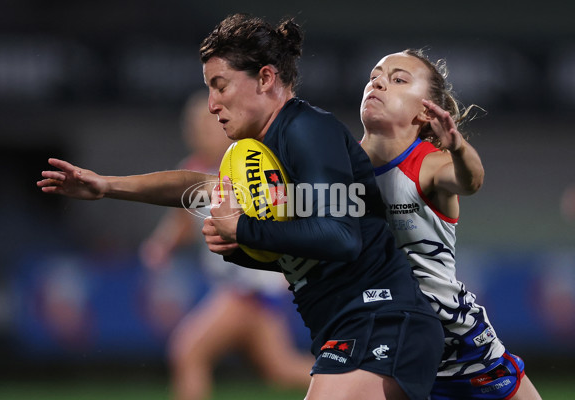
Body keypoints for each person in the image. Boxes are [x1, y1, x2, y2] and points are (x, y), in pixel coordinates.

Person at [38, 13, 445, 400]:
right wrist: (107, 185)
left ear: (266, 78)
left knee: (192, 350)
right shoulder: (259, 152)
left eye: (220, 85)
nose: (212, 104)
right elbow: (200, 186)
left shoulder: (305, 130)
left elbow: (342, 238)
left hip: (382, 321)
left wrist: (243, 231)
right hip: (351, 325)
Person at [359, 49, 541, 399]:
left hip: (462, 348)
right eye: (375, 75)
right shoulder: (340, 167)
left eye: (398, 80)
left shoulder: (429, 165)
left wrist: (458, 147)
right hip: (390, 344)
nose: (379, 82)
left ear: (425, 111)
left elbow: (470, 180)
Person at [139, 90, 314, 400]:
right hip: (238, 288)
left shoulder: (252, 169)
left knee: (189, 352)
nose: (201, 134)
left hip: (249, 287)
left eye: (210, 125)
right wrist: (162, 244)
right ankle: (357, 384)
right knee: (280, 369)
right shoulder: (193, 170)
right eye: (195, 127)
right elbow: (181, 221)